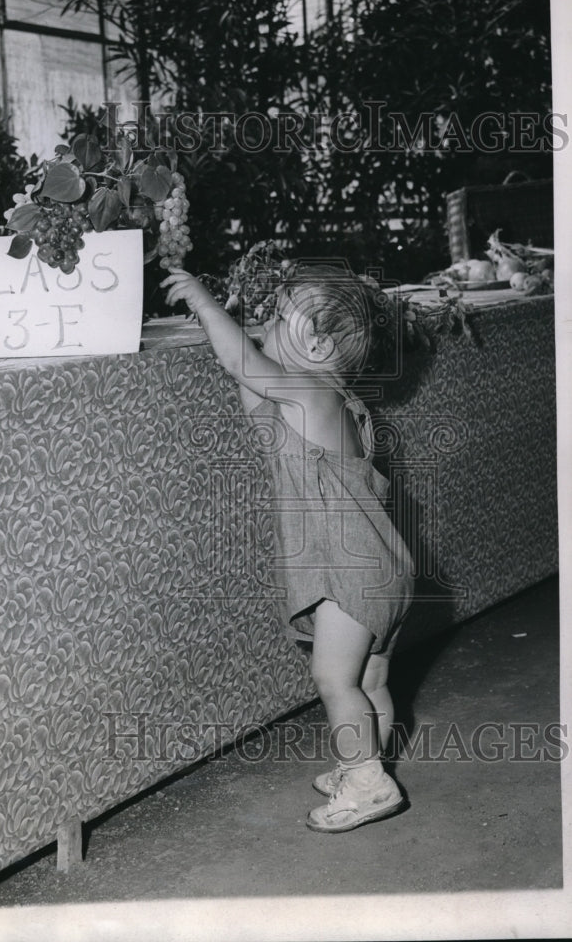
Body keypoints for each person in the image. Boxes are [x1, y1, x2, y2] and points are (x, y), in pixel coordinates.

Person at [162, 264, 414, 833]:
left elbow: (243, 363)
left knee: (335, 681)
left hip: (349, 573)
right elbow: (251, 386)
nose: (267, 325)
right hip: (381, 567)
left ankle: (369, 781)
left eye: (279, 318)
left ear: (319, 345)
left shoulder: (309, 395)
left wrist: (204, 303)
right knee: (370, 682)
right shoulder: (329, 402)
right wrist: (238, 331)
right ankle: (365, 762)